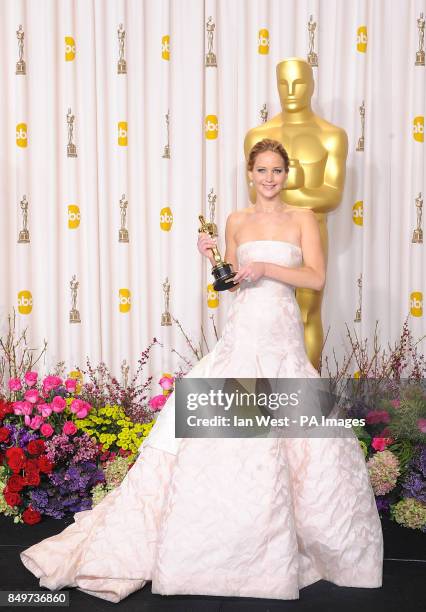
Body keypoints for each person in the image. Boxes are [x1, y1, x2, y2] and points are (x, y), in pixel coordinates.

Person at [20, 139, 383, 602]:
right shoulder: (235, 220)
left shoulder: (302, 219)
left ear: (286, 174)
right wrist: (214, 259)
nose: (269, 178)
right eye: (261, 170)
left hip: (282, 332)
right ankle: (223, 541)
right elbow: (229, 283)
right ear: (249, 174)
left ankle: (302, 542)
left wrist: (265, 265)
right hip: (244, 329)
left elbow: (316, 278)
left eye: (277, 170)